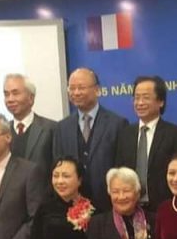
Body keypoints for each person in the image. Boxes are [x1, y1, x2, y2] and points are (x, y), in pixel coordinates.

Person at [53, 68, 128, 211]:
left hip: (108, 205)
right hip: (72, 207)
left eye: (81, 88)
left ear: (97, 90)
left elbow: (122, 166)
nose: (76, 93)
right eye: (72, 88)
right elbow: (58, 166)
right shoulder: (62, 127)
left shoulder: (117, 124)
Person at [114, 75, 177, 211]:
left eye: (146, 97)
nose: (140, 103)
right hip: (131, 208)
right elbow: (119, 172)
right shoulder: (125, 134)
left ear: (161, 101)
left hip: (165, 208)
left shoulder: (176, 134)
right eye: (136, 98)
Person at [4, 73, 57, 184]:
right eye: (6, 94)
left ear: (31, 98)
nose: (10, 99)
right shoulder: (2, 131)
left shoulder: (51, 128)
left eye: (15, 93)